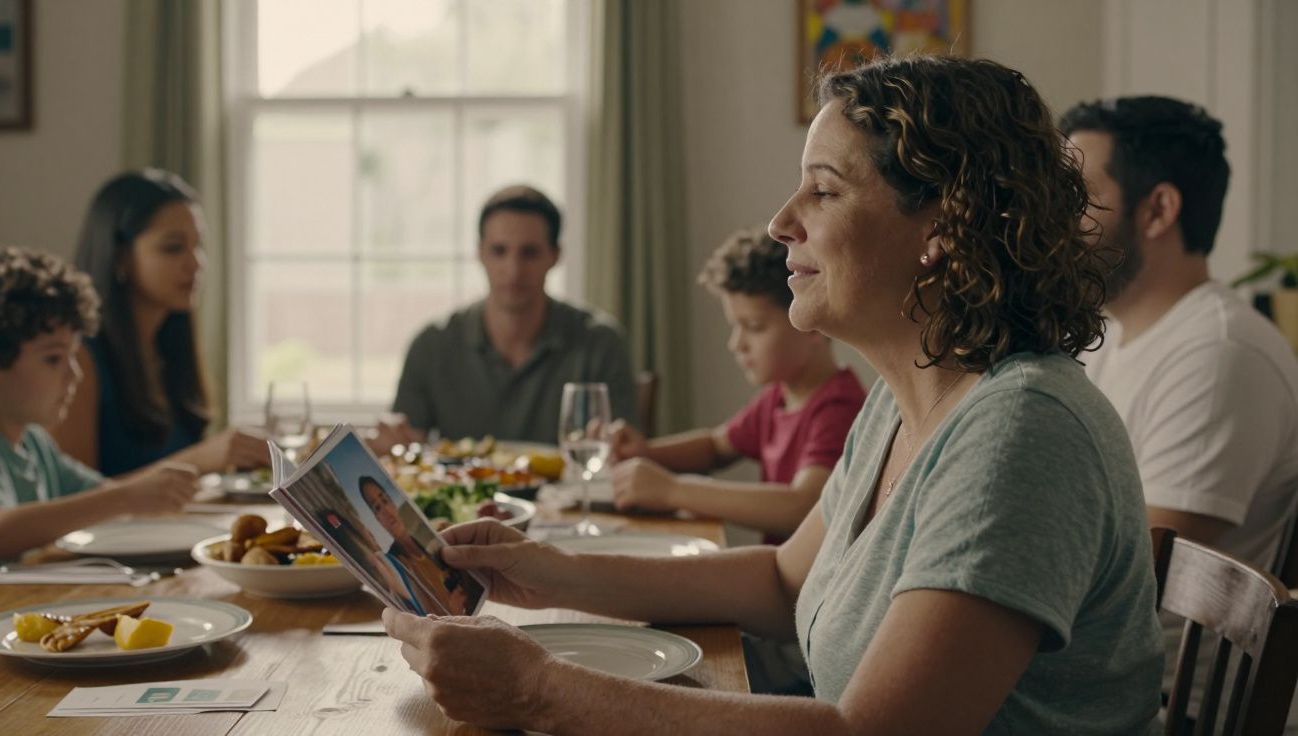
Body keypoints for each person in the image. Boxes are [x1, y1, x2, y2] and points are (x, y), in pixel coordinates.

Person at [380, 55, 1164, 735]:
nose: (781, 222)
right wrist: (547, 572)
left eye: (823, 192)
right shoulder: (903, 399)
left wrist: (539, 689)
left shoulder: (1023, 431)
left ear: (945, 225)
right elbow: (782, 582)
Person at [1061, 96, 1298, 725]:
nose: (1053, 217)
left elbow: (1136, 567)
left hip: (1153, 707)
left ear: (1158, 209)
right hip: (1075, 674)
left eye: (1075, 194)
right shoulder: (1107, 336)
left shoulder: (1220, 354)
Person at [609, 227, 864, 543]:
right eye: (735, 326)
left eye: (754, 327)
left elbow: (803, 506)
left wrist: (672, 491)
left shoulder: (838, 407)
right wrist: (645, 453)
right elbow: (716, 447)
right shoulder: (778, 397)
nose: (736, 344)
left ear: (812, 322)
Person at [376, 185, 638, 448]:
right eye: (499, 251)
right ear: (480, 253)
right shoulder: (432, 345)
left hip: (566, 489)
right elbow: (405, 445)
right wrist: (392, 441)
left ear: (555, 255)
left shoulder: (600, 342)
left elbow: (623, 450)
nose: (513, 270)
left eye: (529, 253)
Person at [49, 170, 269, 477]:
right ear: (120, 258)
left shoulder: (169, 347)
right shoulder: (80, 359)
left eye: (198, 245)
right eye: (173, 247)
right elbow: (72, 504)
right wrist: (197, 460)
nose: (195, 264)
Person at [0, 245, 198, 562]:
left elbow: (98, 495)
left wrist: (153, 493)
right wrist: (126, 498)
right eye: (54, 359)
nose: (76, 374)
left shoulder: (33, 443)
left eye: (73, 355)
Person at [358, 475, 477, 615]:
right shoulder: (397, 568)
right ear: (377, 518)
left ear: (392, 502)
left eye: (385, 500)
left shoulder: (432, 545)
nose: (387, 511)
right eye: (377, 507)